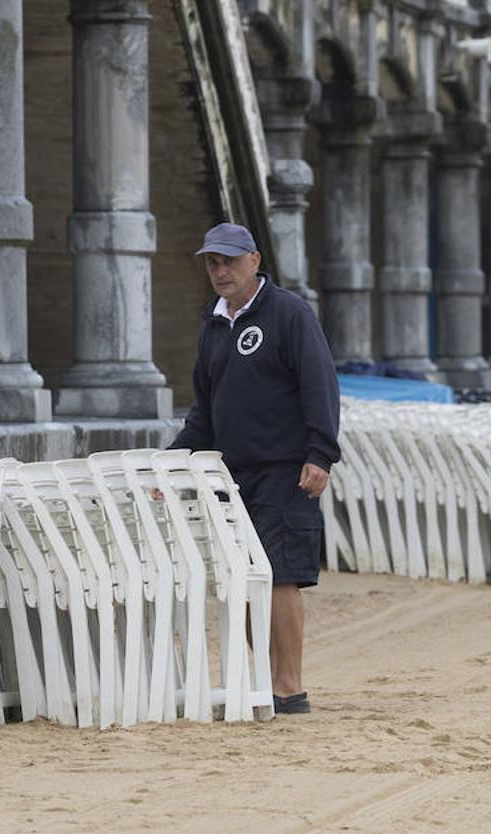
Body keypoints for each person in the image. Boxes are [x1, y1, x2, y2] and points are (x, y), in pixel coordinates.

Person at [170, 222, 340, 715]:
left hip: (287, 469)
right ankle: (265, 680)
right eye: (212, 262)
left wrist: (320, 453)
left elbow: (319, 383)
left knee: (280, 575)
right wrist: (174, 462)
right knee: (244, 577)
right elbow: (204, 411)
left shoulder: (289, 314)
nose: (220, 271)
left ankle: (290, 689)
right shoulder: (213, 325)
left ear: (254, 260)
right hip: (231, 475)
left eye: (229, 261)